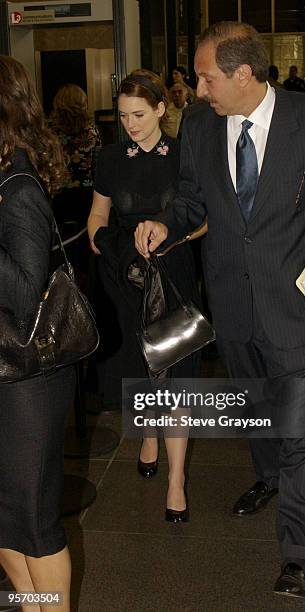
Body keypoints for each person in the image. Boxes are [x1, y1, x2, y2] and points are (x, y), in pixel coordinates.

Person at [134, 21, 305, 598]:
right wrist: (168, 222)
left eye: (206, 77)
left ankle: (297, 553)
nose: (198, 88)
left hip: (294, 304)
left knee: (299, 428)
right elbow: (192, 198)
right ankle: (268, 478)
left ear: (243, 75)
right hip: (231, 304)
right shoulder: (198, 124)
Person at [87, 69, 200, 522]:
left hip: (172, 275)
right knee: (141, 373)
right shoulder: (111, 158)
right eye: (122, 116)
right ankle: (148, 433)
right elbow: (96, 218)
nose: (130, 124)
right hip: (128, 280)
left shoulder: (184, 157)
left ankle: (176, 481)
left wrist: (168, 236)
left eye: (138, 114)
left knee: (176, 380)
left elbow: (205, 220)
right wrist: (111, 241)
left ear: (160, 109)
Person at [0, 55, 76, 611]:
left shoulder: (20, 186)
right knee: (5, 515)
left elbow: (26, 295)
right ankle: (34, 604)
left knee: (33, 518)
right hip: (7, 372)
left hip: (29, 381)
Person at [50, 83, 101, 231]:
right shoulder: (92, 132)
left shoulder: (50, 134)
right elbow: (98, 165)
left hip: (58, 195)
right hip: (86, 194)